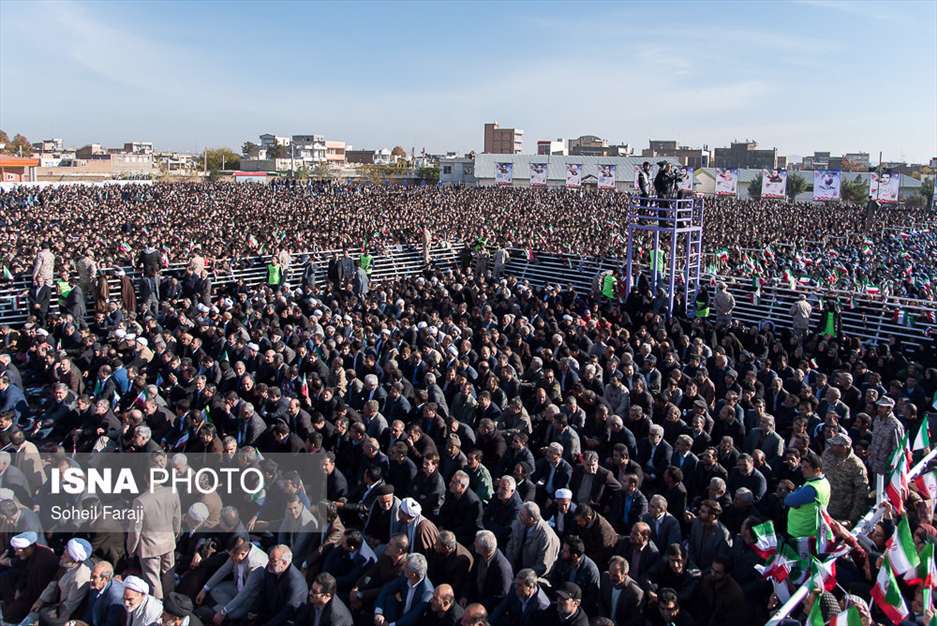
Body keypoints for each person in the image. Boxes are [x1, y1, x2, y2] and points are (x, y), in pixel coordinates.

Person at [783, 449, 830, 558]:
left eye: (806, 467)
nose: (802, 470)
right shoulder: (822, 481)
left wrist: (796, 492)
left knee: (801, 566)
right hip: (807, 532)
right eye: (802, 466)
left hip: (801, 534)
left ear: (817, 470)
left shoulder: (812, 489)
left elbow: (788, 500)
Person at [374, 553, 434, 626]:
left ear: (413, 574)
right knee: (390, 599)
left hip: (412, 623)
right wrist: (378, 612)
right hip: (399, 616)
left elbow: (413, 617)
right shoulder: (406, 577)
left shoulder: (427, 592)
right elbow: (387, 589)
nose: (403, 568)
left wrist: (391, 625)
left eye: (406, 567)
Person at [84, 561, 125, 626]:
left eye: (94, 577)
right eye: (91, 576)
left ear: (105, 579)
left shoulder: (115, 598)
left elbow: (111, 623)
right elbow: (90, 610)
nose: (91, 580)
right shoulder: (96, 586)